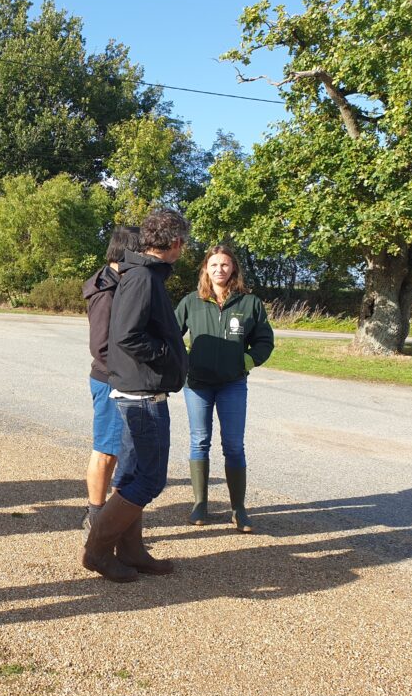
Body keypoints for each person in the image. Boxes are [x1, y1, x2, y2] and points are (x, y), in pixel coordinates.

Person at [82, 208, 189, 583]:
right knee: (149, 480)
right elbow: (127, 335)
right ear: (176, 243)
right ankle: (96, 552)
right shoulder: (142, 276)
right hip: (142, 394)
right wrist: (167, 355)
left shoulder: (141, 273)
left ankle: (131, 550)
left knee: (130, 475)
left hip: (140, 391)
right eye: (184, 244)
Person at [175, 245, 274, 532]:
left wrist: (247, 360)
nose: (220, 270)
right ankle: (200, 505)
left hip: (233, 384)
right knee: (199, 441)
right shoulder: (191, 302)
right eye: (214, 265)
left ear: (233, 269)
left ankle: (238, 509)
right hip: (197, 385)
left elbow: (265, 341)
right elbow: (170, 333)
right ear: (206, 269)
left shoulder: (249, 303)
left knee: (233, 445)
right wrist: (184, 361)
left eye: (225, 265)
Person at [81, 228, 141, 538]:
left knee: (116, 452)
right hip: (110, 381)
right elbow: (100, 346)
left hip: (118, 380)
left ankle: (105, 517)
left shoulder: (119, 282)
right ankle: (96, 517)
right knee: (106, 452)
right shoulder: (106, 290)